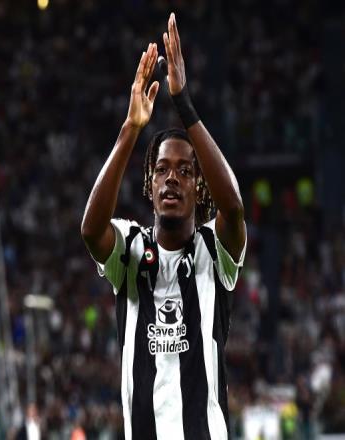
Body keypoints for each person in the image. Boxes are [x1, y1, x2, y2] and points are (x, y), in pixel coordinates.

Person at [81, 12, 246, 440]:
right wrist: (131, 128)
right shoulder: (130, 248)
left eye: (185, 171)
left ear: (198, 186)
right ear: (150, 184)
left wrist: (184, 104)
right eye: (161, 169)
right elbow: (91, 230)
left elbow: (234, 209)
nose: (172, 178)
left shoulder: (214, 250)